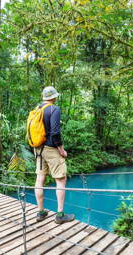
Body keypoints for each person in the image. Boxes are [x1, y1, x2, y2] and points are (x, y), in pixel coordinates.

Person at [34, 86, 75, 224]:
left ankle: (40, 213)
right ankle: (60, 215)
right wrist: (62, 150)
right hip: (51, 149)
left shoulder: (37, 109)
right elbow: (55, 132)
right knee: (60, 180)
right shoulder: (54, 109)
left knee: (40, 179)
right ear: (54, 97)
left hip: (38, 149)